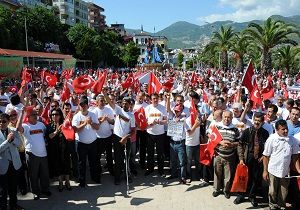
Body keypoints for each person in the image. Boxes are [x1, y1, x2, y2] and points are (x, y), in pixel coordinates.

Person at [263, 120, 300, 210]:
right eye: (283, 129)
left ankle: (281, 206)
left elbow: (295, 157)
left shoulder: (292, 140)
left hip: (285, 171)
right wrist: (265, 171)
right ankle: (272, 206)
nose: (286, 131)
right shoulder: (271, 139)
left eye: (286, 129)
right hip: (273, 170)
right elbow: (266, 156)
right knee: (272, 192)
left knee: (283, 192)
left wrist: (299, 170)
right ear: (277, 130)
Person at [234, 112, 269, 207]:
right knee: (243, 177)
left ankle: (252, 196)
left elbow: (268, 148)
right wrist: (241, 158)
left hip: (258, 159)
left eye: (259, 121)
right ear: (253, 120)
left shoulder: (265, 133)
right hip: (247, 157)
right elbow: (240, 145)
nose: (257, 122)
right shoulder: (247, 131)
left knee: (255, 178)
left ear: (262, 122)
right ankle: (240, 195)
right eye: (255, 120)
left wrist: (263, 156)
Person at [17, 108, 51, 200]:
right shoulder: (25, 126)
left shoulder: (41, 125)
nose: (35, 116)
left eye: (36, 114)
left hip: (43, 153)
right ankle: (35, 192)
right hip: (32, 154)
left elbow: (47, 134)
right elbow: (18, 128)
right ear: (28, 117)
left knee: (45, 173)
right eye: (33, 115)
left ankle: (45, 189)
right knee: (33, 175)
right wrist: (21, 113)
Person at [104, 89, 135, 185]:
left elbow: (133, 130)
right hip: (117, 138)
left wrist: (126, 137)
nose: (124, 104)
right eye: (123, 103)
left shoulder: (132, 116)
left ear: (130, 105)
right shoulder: (118, 110)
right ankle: (117, 177)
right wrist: (105, 94)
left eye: (126, 103)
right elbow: (110, 102)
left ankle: (127, 175)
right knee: (117, 159)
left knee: (127, 158)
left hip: (126, 139)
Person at [72, 96, 100, 187]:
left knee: (93, 162)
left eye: (84, 105)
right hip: (81, 143)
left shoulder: (93, 114)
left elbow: (97, 127)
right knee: (81, 163)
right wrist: (84, 123)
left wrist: (91, 123)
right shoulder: (76, 116)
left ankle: (95, 178)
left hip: (93, 142)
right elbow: (75, 130)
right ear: (79, 106)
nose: (83, 106)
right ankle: (82, 181)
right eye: (81, 105)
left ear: (88, 106)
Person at [212, 110, 239, 199]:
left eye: (229, 117)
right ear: (222, 117)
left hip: (230, 156)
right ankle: (216, 189)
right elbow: (211, 137)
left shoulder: (235, 129)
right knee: (217, 174)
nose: (227, 119)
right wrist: (221, 142)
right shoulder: (217, 127)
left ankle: (226, 190)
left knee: (228, 176)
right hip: (218, 155)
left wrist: (232, 144)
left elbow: (239, 142)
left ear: (232, 118)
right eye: (225, 117)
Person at [0, 113, 24, 210]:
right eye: (0, 122)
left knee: (13, 187)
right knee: (2, 190)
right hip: (2, 165)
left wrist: (13, 139)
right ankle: (3, 207)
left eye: (4, 121)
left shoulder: (14, 131)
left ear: (8, 121)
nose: (1, 123)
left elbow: (20, 144)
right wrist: (8, 141)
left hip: (14, 164)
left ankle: (13, 205)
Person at [47, 108, 71, 192]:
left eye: (56, 114)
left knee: (66, 164)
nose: (54, 116)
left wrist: (64, 129)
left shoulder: (65, 124)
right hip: (55, 149)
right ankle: (60, 182)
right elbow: (49, 136)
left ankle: (67, 182)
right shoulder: (49, 125)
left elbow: (70, 134)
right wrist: (56, 131)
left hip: (65, 148)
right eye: (52, 115)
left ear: (60, 115)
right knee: (58, 165)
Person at [144, 93, 168, 176]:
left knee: (160, 153)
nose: (155, 100)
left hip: (160, 134)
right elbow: (144, 121)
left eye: (156, 98)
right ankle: (150, 169)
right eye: (153, 98)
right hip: (150, 133)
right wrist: (150, 124)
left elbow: (166, 121)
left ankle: (161, 170)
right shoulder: (147, 108)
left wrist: (160, 122)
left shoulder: (162, 108)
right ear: (150, 99)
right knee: (150, 153)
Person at [92, 94, 115, 176]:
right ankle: (98, 171)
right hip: (98, 137)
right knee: (97, 156)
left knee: (109, 155)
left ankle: (111, 170)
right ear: (97, 102)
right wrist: (101, 120)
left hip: (108, 136)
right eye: (101, 100)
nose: (103, 102)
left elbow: (113, 122)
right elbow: (93, 125)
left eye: (104, 100)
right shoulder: (94, 112)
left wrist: (107, 119)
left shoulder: (108, 110)